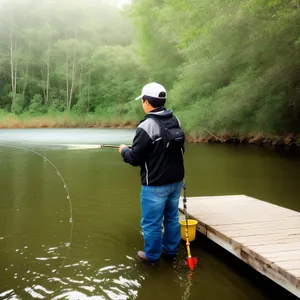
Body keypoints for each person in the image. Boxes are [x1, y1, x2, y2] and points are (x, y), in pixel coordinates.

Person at [118, 82, 185, 263]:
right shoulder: (175, 119)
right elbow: (165, 147)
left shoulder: (146, 126)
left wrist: (124, 150)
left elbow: (135, 159)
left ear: (147, 102)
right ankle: (171, 251)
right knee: (171, 218)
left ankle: (152, 255)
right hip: (177, 180)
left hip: (155, 183)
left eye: (142, 101)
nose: (142, 104)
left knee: (152, 223)